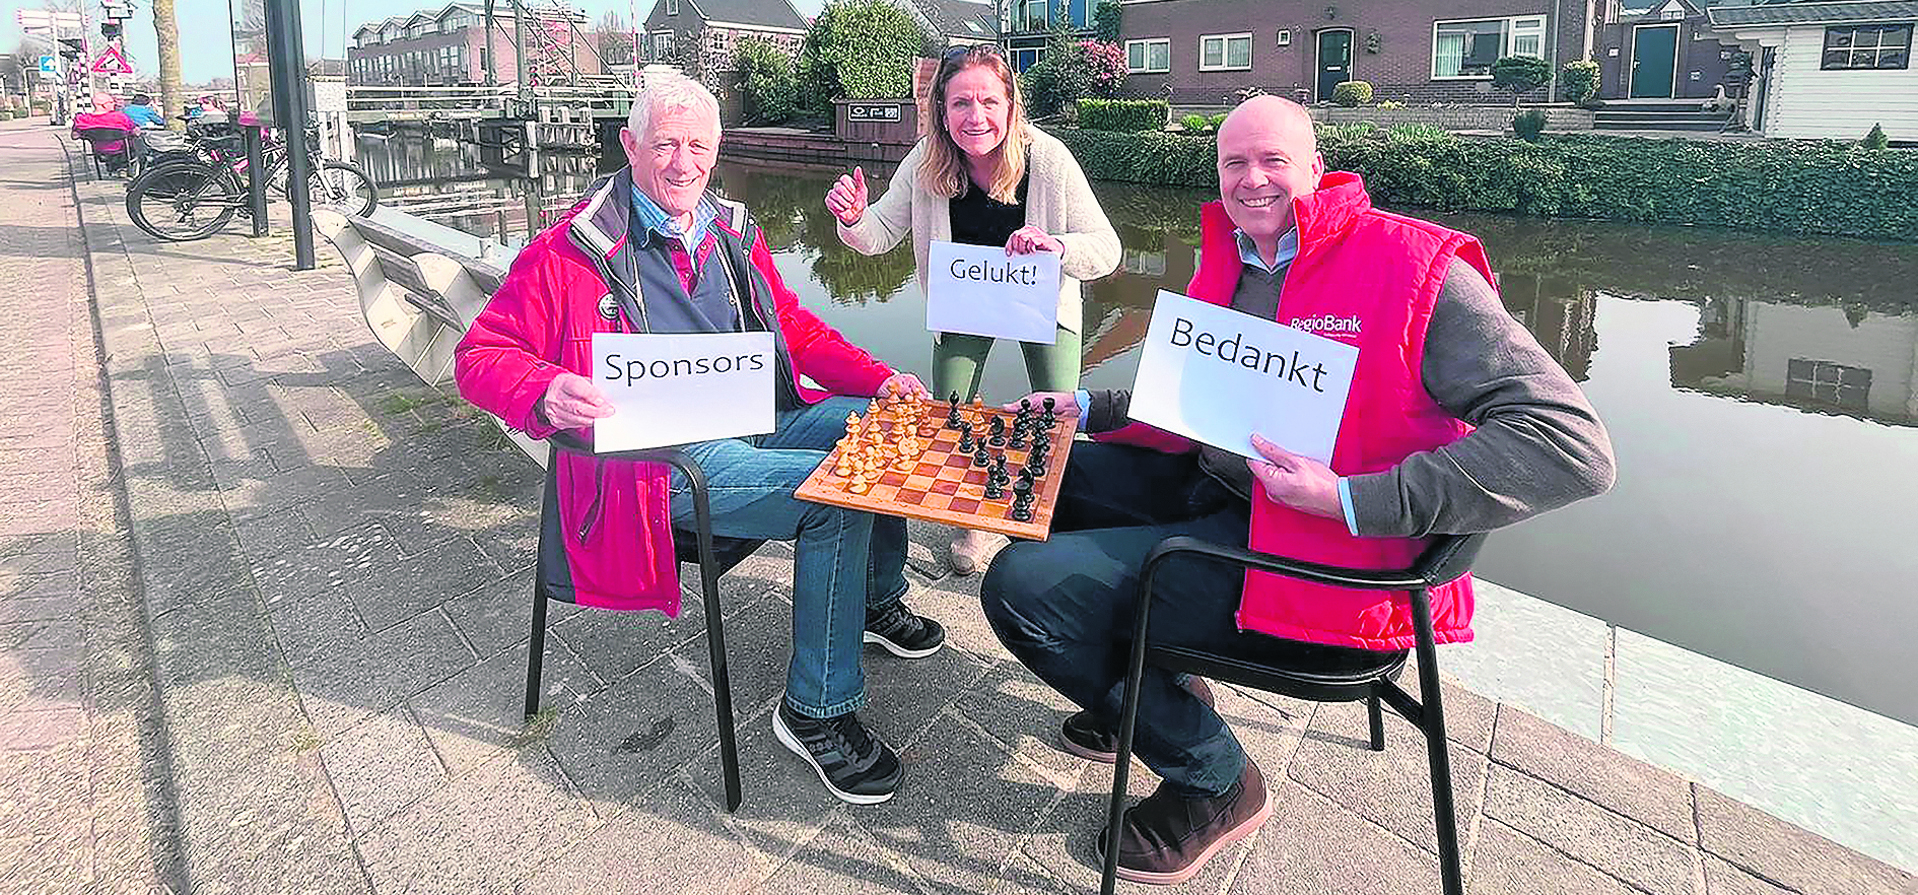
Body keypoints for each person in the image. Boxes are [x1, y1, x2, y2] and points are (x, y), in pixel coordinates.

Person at [980, 96, 1616, 884]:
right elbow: (1198, 392)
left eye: (1274, 160)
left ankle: (1213, 780)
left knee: (1024, 592)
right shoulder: (1236, 255)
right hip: (1222, 496)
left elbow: (1571, 446)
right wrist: (1086, 407)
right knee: (1035, 471)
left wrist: (1351, 498)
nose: (1251, 181)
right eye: (1233, 162)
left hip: (1328, 557)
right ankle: (1149, 691)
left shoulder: (1413, 268)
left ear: (1318, 166)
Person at [455, 76, 946, 806]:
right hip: (661, 463)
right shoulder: (571, 248)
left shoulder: (730, 231)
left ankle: (872, 600)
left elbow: (796, 329)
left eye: (698, 146)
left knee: (881, 428)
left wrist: (876, 380)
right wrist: (543, 389)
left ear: (716, 153)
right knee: (838, 492)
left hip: (752, 416)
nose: (683, 163)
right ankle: (815, 709)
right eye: (665, 145)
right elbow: (479, 355)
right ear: (630, 146)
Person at [828, 43, 1120, 573]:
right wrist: (852, 218)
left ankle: (1046, 520)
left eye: (988, 101)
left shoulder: (1047, 158)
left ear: (1011, 105)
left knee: (1056, 418)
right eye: (961, 103)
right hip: (965, 303)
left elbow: (1107, 248)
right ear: (941, 110)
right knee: (952, 408)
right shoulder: (925, 161)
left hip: (1042, 305)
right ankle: (973, 522)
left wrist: (1058, 248)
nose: (976, 116)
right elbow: (880, 234)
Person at [70, 91, 138, 173]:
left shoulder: (82, 119)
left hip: (99, 152)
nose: (114, 104)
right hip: (123, 151)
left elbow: (74, 136)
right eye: (111, 102)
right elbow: (135, 131)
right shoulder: (119, 117)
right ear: (103, 105)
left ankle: (114, 168)